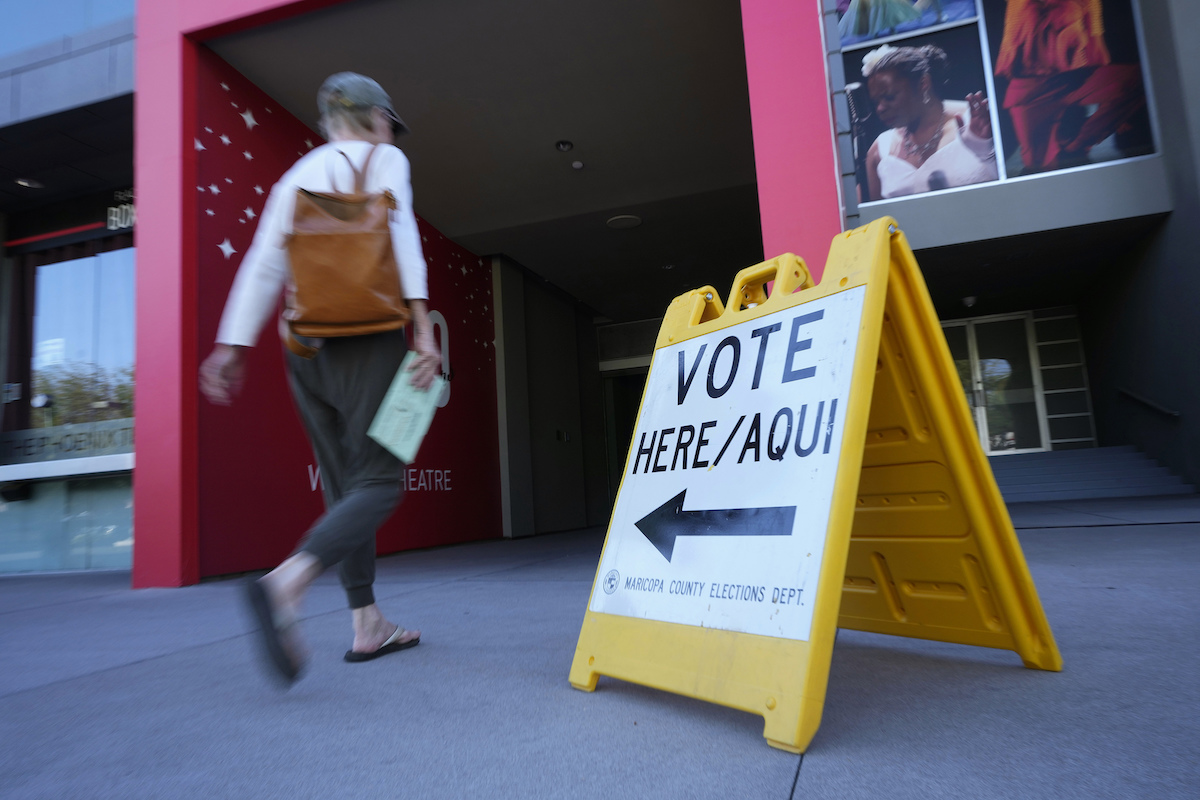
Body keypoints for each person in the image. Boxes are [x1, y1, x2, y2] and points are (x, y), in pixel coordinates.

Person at [199, 72, 440, 685]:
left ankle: (367, 625)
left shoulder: (294, 177)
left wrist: (231, 346)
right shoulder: (386, 159)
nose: (390, 131)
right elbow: (402, 231)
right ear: (374, 117)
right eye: (388, 120)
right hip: (368, 343)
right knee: (381, 482)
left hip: (302, 349)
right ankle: (288, 584)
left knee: (344, 485)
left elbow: (263, 263)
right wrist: (423, 327)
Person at [994, 0, 1148, 173]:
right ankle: (1071, 144)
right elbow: (1010, 55)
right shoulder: (1021, 8)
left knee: (1138, 78)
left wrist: (1116, 111)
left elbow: (1098, 47)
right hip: (1030, 90)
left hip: (1073, 80)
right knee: (1041, 168)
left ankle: (1077, 143)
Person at [861, 44, 999, 200]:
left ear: (923, 84)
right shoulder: (881, 148)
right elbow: (872, 219)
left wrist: (982, 149)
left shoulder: (977, 121)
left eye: (889, 97)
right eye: (875, 102)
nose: (880, 108)